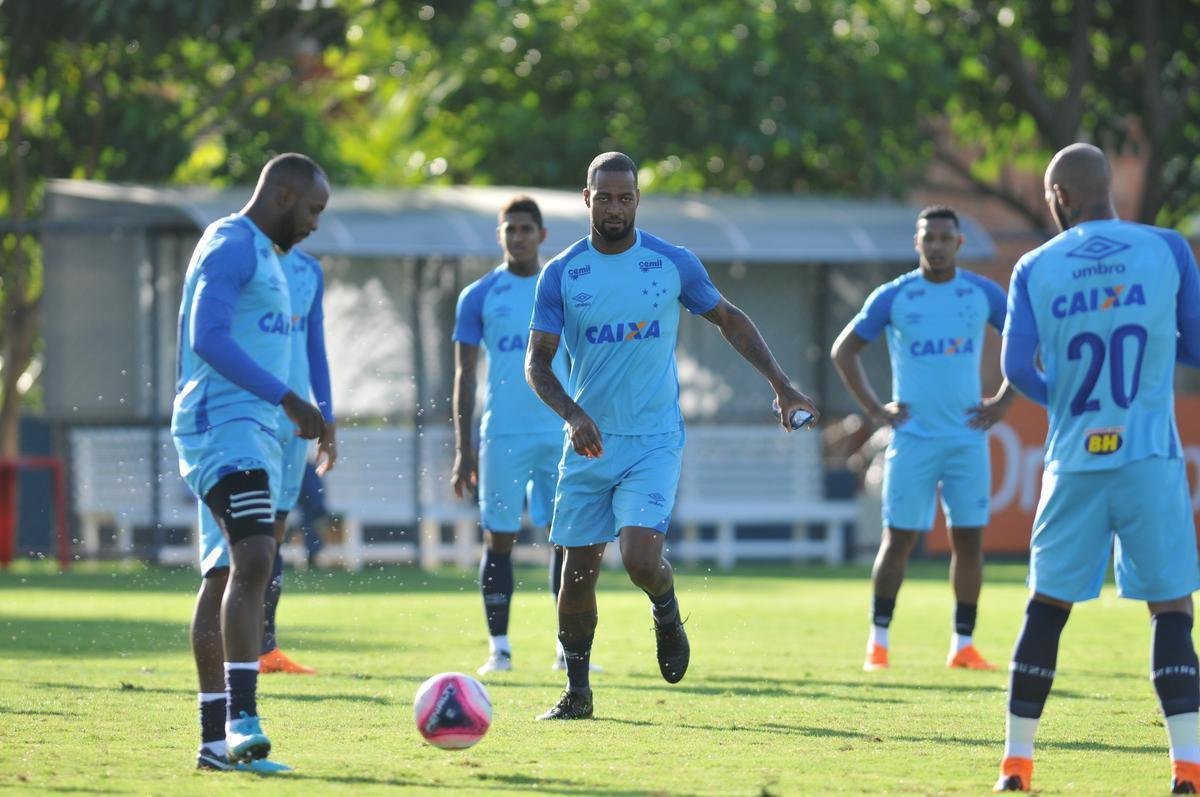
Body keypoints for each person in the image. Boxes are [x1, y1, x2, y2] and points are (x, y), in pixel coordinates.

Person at [525, 151, 819, 720]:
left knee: (640, 559)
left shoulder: (671, 262)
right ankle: (578, 695)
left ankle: (664, 605)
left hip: (655, 439)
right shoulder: (562, 272)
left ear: (638, 199)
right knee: (576, 573)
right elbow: (537, 364)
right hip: (589, 441)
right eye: (604, 198)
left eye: (625, 197)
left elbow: (729, 318)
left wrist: (782, 386)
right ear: (586, 199)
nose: (615, 208)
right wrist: (573, 414)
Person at [994, 143, 1200, 793]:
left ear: (1059, 196)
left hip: (1074, 458)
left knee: (1046, 607)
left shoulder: (1033, 265)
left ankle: (1016, 764)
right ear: (1109, 186)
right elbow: (1196, 345)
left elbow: (1015, 368)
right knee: (1171, 608)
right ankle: (1187, 769)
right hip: (1149, 456)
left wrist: (1067, 400)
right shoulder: (1168, 248)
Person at [172, 153, 329, 772]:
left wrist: (304, 407)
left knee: (223, 575)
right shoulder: (231, 244)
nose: (315, 223)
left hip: (257, 430)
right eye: (313, 209)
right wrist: (287, 396)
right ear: (284, 195)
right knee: (257, 555)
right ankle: (244, 720)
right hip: (220, 423)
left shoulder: (272, 256)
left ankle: (214, 747)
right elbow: (207, 337)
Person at [830, 205, 1013, 673]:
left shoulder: (981, 293)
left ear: (958, 243)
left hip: (967, 440)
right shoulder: (896, 296)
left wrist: (1003, 401)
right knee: (899, 539)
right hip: (912, 440)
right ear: (917, 242)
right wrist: (876, 410)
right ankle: (878, 644)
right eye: (928, 237)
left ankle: (963, 645)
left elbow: (1026, 339)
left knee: (968, 541)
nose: (936, 245)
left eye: (944, 238)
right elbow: (844, 350)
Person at [451, 195, 591, 676]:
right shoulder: (478, 295)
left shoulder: (561, 288)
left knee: (566, 539)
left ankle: (566, 650)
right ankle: (500, 649)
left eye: (526, 228)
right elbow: (464, 375)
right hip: (503, 436)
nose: (518, 236)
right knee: (500, 538)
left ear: (541, 235)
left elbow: (584, 361)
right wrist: (463, 448)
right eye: (509, 229)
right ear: (500, 235)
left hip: (558, 433)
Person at [259, 244, 337, 674]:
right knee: (247, 537)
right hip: (249, 418)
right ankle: (235, 650)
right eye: (310, 212)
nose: (313, 222)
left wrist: (327, 417)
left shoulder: (309, 269)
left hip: (294, 426)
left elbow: (315, 349)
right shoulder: (244, 255)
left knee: (274, 532)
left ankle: (265, 648)